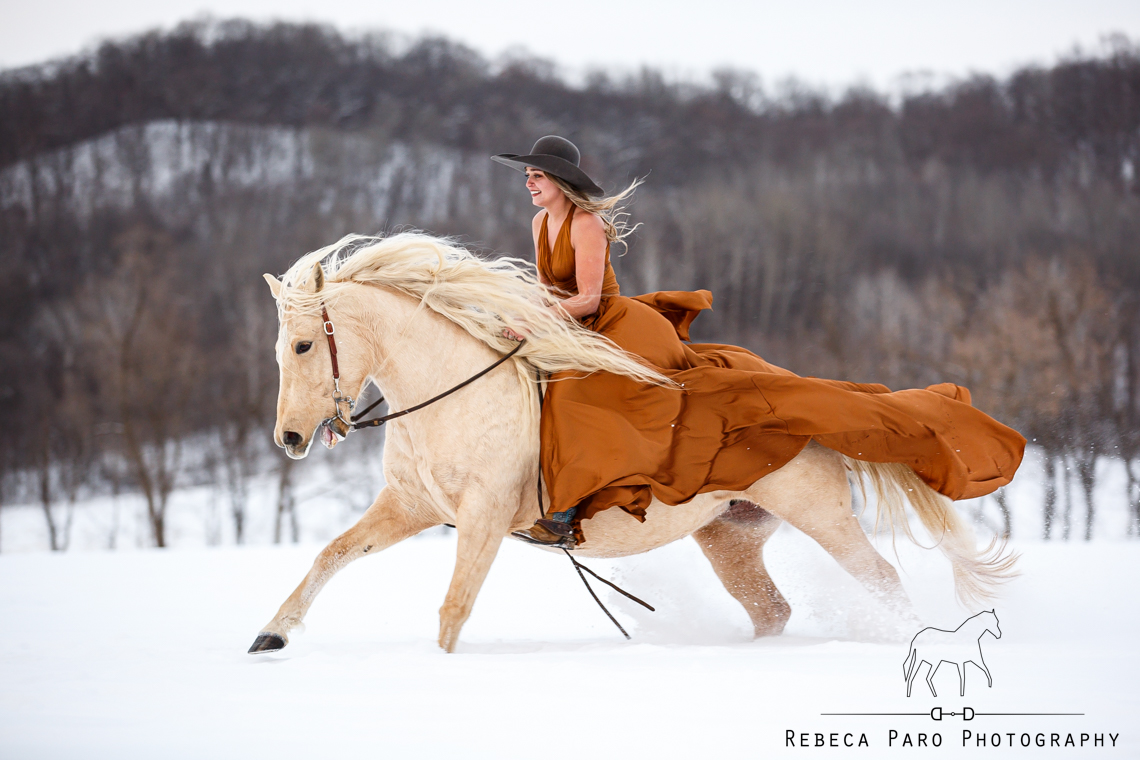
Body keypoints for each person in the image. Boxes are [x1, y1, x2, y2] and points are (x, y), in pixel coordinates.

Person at [492, 136, 1025, 549]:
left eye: (536, 176)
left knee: (578, 395)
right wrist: (520, 315)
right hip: (572, 325)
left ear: (561, 181)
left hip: (614, 323)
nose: (528, 183)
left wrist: (539, 319)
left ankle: (565, 510)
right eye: (528, 176)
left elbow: (586, 297)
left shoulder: (586, 224)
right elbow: (549, 292)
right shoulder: (541, 222)